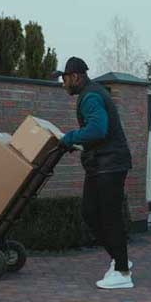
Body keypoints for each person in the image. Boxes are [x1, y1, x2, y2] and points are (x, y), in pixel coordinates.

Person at [53, 57, 134, 289]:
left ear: (75, 77)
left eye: (64, 78)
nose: (63, 83)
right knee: (89, 213)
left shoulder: (90, 96)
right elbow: (96, 132)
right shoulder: (91, 93)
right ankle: (121, 259)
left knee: (110, 217)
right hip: (101, 165)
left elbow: (98, 129)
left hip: (110, 165)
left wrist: (69, 138)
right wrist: (76, 143)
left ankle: (122, 272)